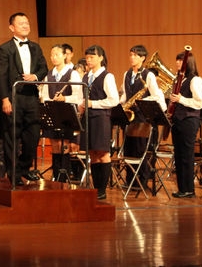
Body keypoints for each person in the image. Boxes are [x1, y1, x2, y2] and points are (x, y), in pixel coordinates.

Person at [0, 12, 48, 185]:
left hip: (31, 97)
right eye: (21, 23)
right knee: (11, 136)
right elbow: (1, 76)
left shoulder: (36, 47)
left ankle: (23, 169)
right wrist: (5, 99)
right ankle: (14, 174)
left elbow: (44, 68)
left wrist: (35, 76)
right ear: (12, 27)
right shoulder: (4, 49)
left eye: (27, 23)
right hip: (13, 97)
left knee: (32, 136)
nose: (25, 25)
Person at [119, 45, 166, 186]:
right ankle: (130, 180)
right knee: (129, 149)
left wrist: (141, 101)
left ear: (142, 58)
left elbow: (156, 96)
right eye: (131, 55)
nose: (132, 57)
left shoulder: (148, 75)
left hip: (142, 117)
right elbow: (125, 95)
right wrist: (120, 104)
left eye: (135, 55)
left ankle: (142, 181)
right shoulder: (126, 74)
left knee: (140, 149)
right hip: (129, 117)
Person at [77, 45, 118, 199]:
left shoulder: (108, 76)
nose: (88, 60)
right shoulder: (86, 77)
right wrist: (81, 107)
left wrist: (93, 103)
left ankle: (102, 190)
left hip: (101, 118)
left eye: (92, 57)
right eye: (87, 57)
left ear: (101, 58)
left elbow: (113, 100)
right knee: (93, 154)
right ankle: (96, 189)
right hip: (88, 118)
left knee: (103, 153)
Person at [39, 44, 83, 181]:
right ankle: (56, 176)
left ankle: (64, 176)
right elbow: (44, 95)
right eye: (52, 55)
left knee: (64, 145)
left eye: (57, 54)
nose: (53, 57)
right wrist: (48, 102)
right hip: (53, 112)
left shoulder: (72, 73)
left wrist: (65, 98)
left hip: (66, 113)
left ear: (64, 56)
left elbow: (79, 96)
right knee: (55, 145)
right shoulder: (49, 74)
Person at [169, 51, 202, 198]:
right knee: (178, 155)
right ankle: (182, 189)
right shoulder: (179, 79)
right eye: (177, 60)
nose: (178, 63)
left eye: (181, 60)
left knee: (186, 156)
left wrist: (181, 99)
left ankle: (189, 189)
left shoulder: (195, 80)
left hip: (189, 121)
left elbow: (200, 102)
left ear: (188, 63)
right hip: (177, 120)